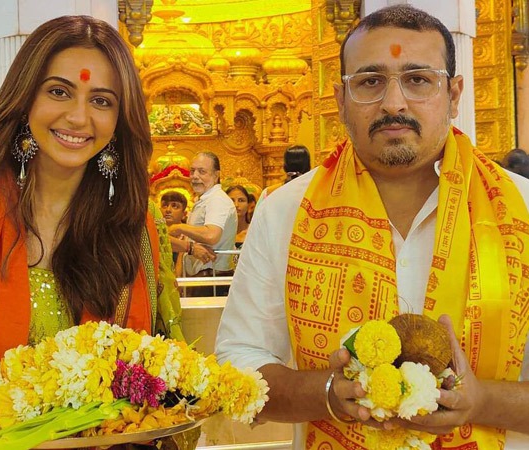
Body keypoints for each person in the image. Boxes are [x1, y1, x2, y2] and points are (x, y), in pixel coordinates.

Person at [216, 5, 529, 450]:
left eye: (419, 79)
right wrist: (328, 393)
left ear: (455, 94)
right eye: (370, 81)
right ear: (341, 100)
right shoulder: (285, 211)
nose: (394, 102)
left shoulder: (522, 210)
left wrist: (481, 401)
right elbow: (238, 363)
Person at [0, 16, 187, 450]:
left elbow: (172, 373)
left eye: (101, 100)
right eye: (59, 91)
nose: (78, 117)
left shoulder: (138, 226)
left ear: (120, 118)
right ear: (24, 100)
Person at [168, 151, 237, 296]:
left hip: (211, 276)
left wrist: (180, 227)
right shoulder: (205, 199)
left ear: (216, 175)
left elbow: (211, 235)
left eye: (202, 171)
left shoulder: (217, 200)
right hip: (199, 275)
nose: (195, 176)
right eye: (192, 171)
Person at [160, 190, 188, 275]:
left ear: (184, 213)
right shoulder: (154, 233)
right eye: (165, 206)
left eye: (175, 206)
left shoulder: (188, 234)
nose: (168, 210)